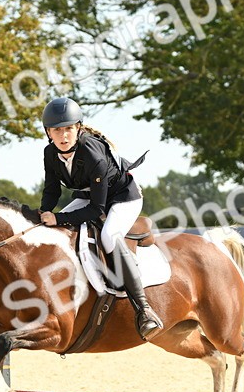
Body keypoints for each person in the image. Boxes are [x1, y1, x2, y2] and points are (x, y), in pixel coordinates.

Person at [36, 97, 163, 340]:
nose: (63, 136)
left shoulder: (92, 154)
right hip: (88, 196)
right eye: (57, 130)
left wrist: (59, 217)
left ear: (78, 128)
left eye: (68, 129)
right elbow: (51, 190)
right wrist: (43, 213)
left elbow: (97, 210)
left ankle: (144, 309)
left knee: (109, 236)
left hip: (123, 197)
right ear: (48, 132)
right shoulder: (49, 153)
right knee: (54, 230)